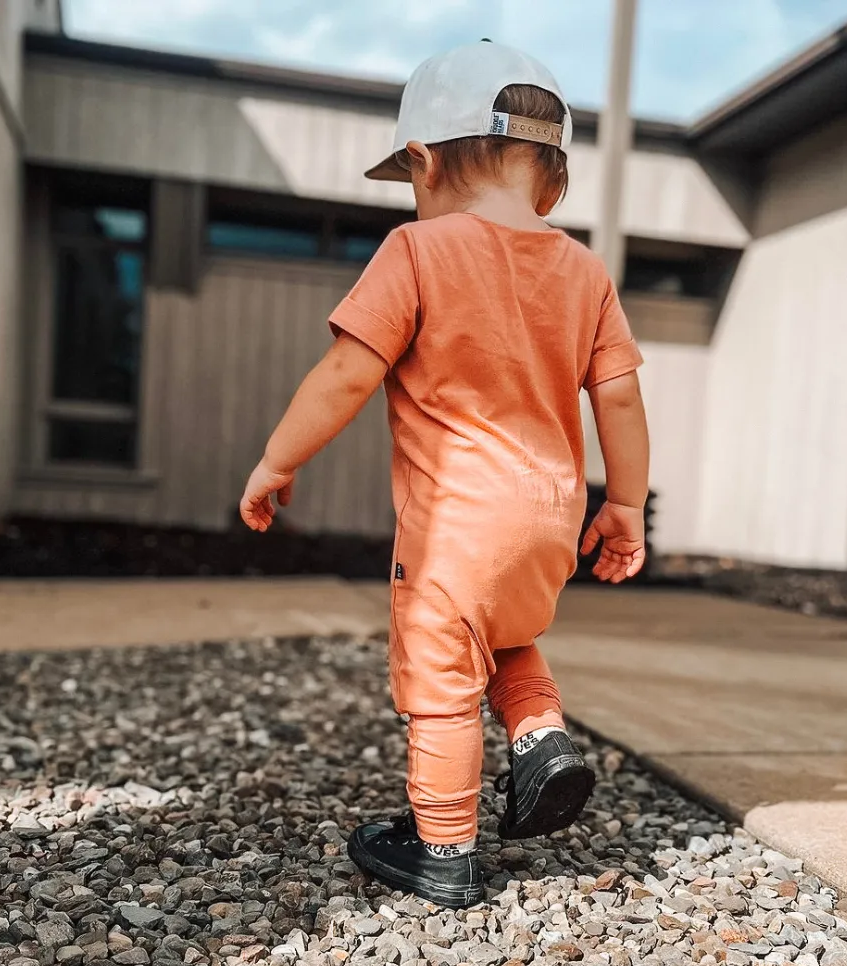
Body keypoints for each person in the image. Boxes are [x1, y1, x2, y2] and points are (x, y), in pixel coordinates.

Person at [239, 40, 650, 908]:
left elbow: (346, 374)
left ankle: (445, 851)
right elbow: (618, 401)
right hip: (548, 521)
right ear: (553, 177)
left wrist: (277, 461)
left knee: (441, 684)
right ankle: (542, 741)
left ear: (422, 161)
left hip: (456, 528)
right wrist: (626, 510)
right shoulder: (586, 273)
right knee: (504, 639)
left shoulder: (417, 251)